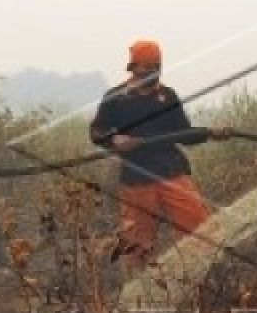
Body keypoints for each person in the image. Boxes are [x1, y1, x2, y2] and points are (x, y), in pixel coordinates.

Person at [89, 40, 230, 270]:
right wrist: (114, 140)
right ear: (133, 68)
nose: (150, 72)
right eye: (145, 67)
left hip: (172, 174)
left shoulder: (167, 96)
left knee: (204, 235)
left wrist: (211, 133)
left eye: (155, 67)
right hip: (136, 181)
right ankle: (138, 298)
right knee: (135, 250)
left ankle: (203, 285)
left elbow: (183, 134)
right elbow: (96, 132)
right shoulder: (115, 98)